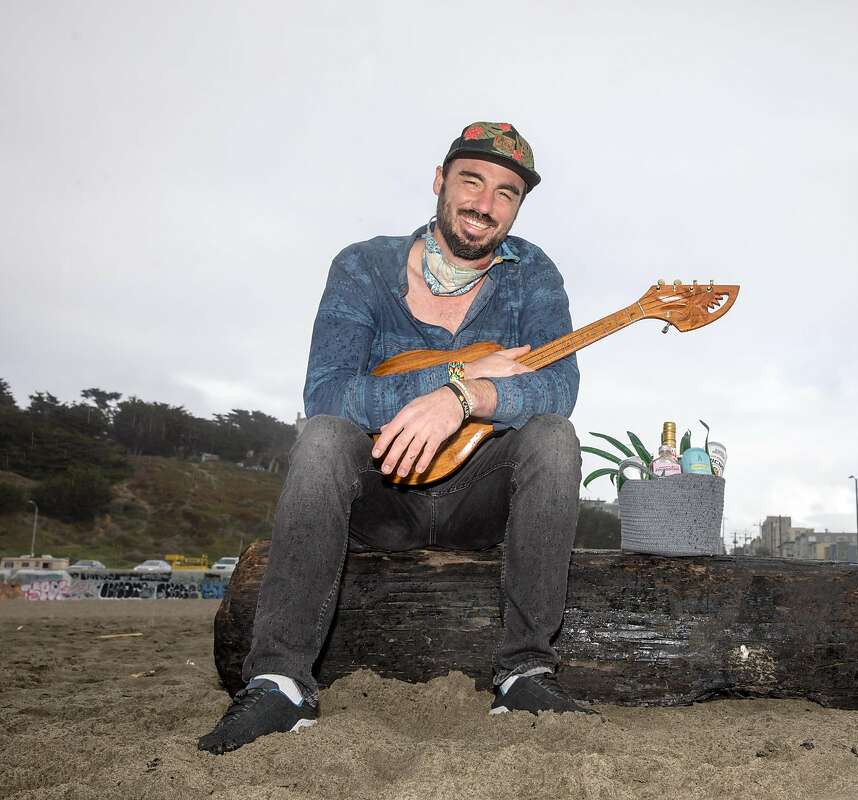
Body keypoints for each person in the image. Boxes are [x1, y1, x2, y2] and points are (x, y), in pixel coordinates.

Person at [199, 121, 590, 756]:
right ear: (440, 182)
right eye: (472, 181)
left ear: (519, 206)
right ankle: (278, 682)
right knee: (324, 437)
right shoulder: (363, 266)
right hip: (380, 497)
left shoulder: (534, 275)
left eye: (507, 193)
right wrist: (458, 373)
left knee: (554, 436)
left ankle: (525, 672)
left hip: (478, 497)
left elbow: (559, 387)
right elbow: (326, 392)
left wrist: (462, 398)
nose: (485, 204)